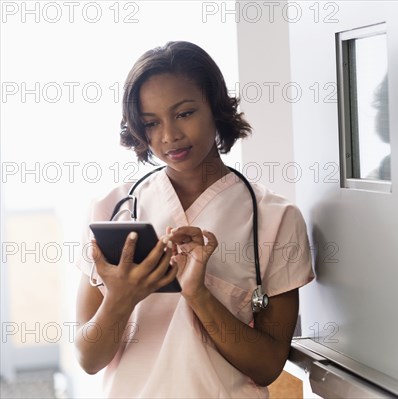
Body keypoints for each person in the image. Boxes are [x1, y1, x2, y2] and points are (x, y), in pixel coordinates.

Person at [74, 41, 314, 398]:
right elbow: (89, 359)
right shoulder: (112, 208)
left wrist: (199, 294)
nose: (169, 136)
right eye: (151, 123)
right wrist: (121, 299)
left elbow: (267, 367)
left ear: (215, 108)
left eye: (185, 113)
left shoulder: (275, 219)